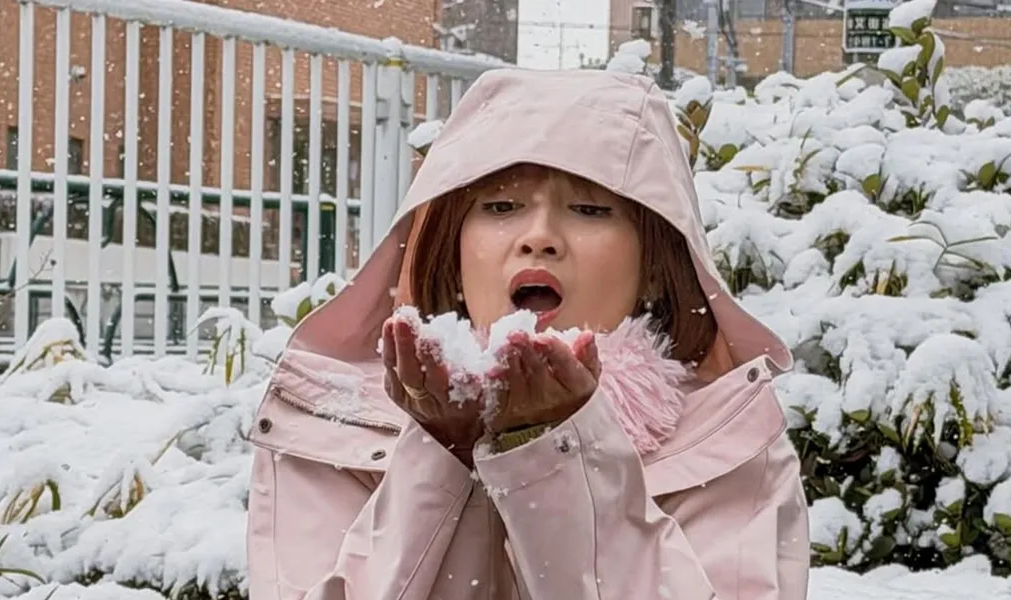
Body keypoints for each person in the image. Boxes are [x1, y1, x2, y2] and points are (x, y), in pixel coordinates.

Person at [245, 68, 809, 600]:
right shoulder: (329, 429)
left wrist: (556, 452)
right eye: (501, 205)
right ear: (450, 245)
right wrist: (446, 453)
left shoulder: (728, 445)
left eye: (590, 208)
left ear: (655, 256)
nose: (540, 236)